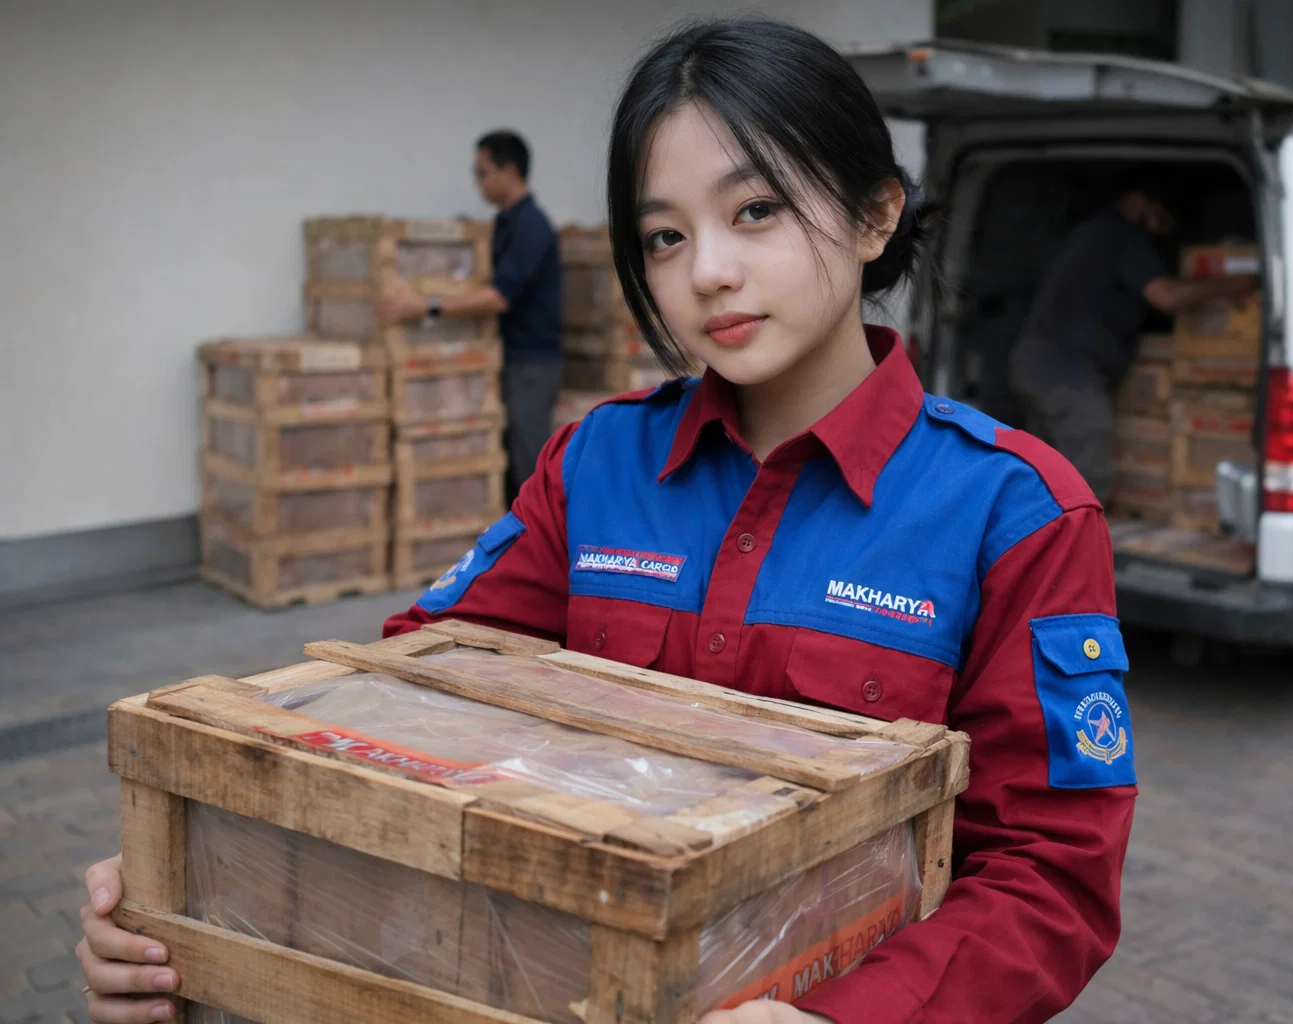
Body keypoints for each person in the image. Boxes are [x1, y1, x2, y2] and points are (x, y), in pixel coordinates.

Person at [76, 19, 1136, 1024]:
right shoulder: (596, 464)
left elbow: (1052, 876)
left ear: (874, 215)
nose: (706, 270)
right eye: (664, 237)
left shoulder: (1017, 514)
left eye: (755, 210)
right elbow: (407, 702)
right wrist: (195, 876)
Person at [1009, 173, 1259, 502]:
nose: (1162, 229)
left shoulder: (1091, 232)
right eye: (1160, 217)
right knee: (1087, 482)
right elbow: (1166, 296)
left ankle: (1037, 546)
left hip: (1035, 366)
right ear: (1137, 202)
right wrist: (1236, 285)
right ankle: (1076, 550)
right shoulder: (1122, 236)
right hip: (1065, 375)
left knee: (1046, 477)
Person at [377, 129, 564, 494]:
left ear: (508, 171)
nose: (478, 183)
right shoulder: (502, 224)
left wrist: (427, 307)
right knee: (507, 465)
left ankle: (544, 548)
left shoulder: (531, 226)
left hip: (532, 364)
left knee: (529, 467)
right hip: (505, 358)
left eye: (481, 173)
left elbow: (497, 298)